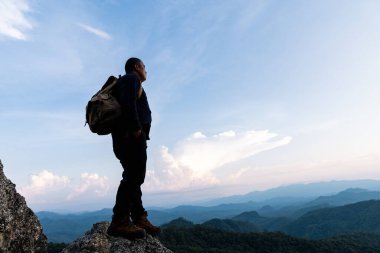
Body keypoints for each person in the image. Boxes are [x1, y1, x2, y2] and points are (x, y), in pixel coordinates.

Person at [107, 57, 160, 239]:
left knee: (133, 177)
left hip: (125, 138)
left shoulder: (128, 81)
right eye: (145, 66)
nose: (146, 70)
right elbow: (129, 105)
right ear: (137, 67)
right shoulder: (131, 79)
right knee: (134, 177)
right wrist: (137, 129)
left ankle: (138, 217)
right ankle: (120, 221)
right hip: (131, 138)